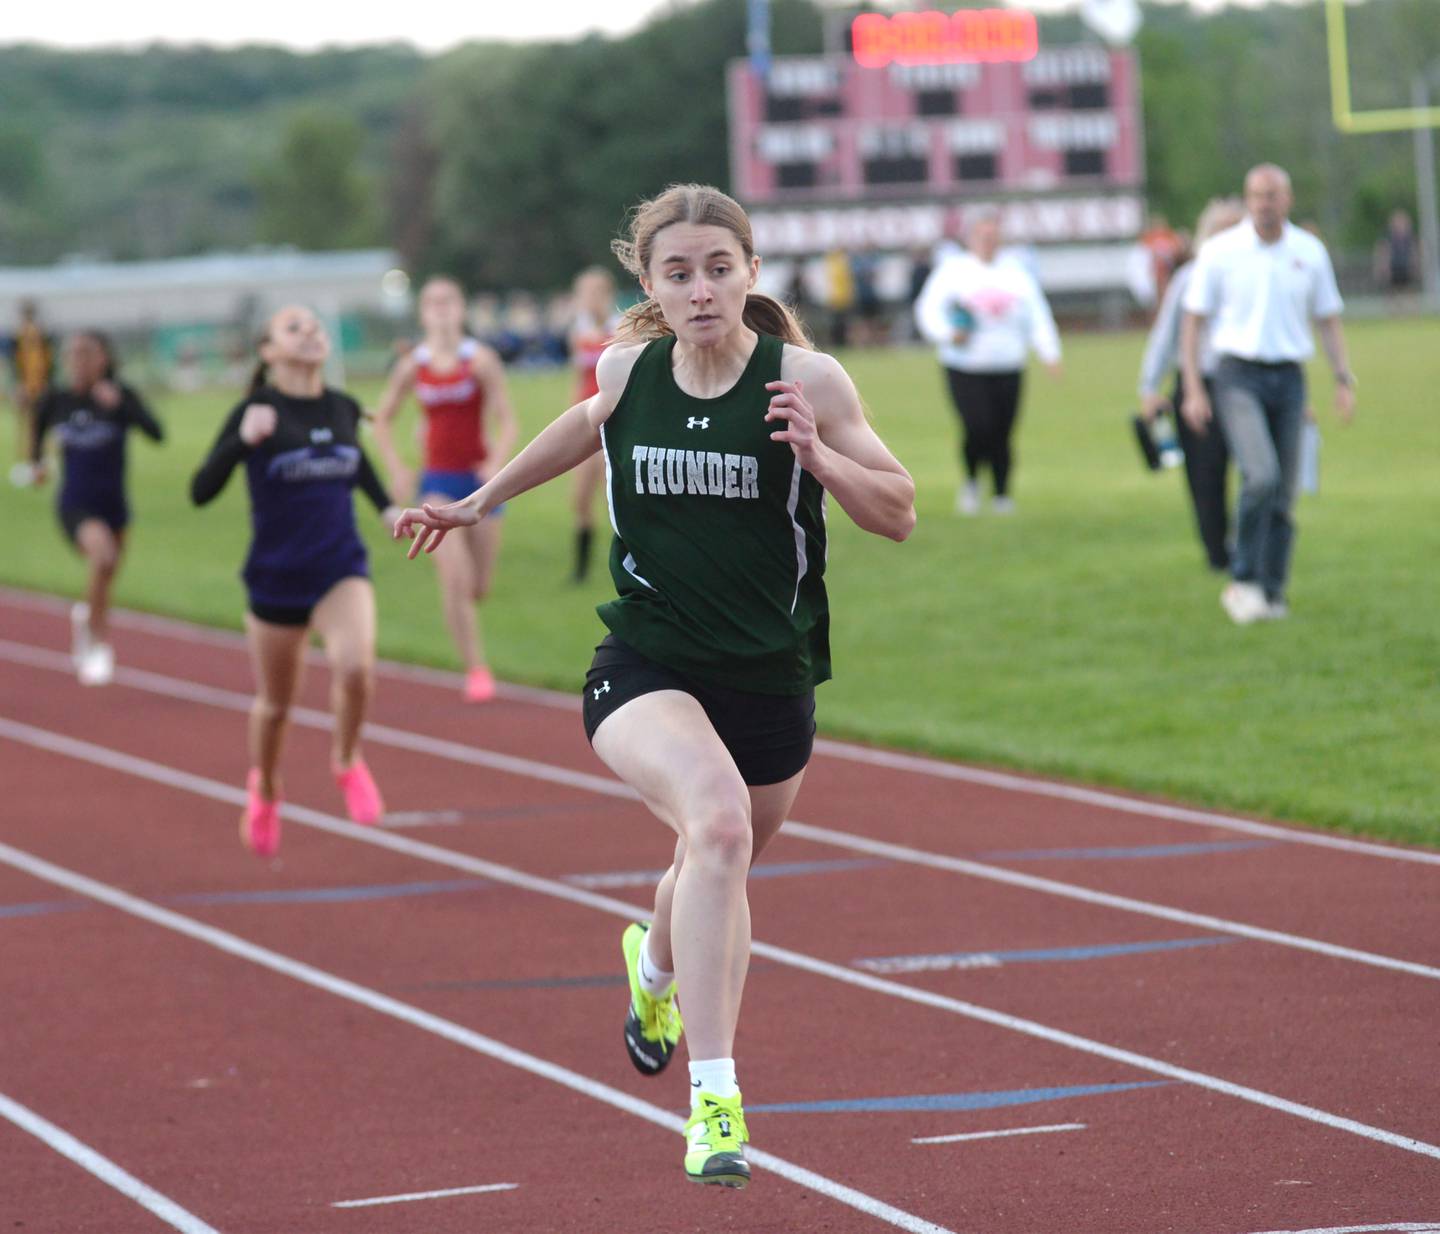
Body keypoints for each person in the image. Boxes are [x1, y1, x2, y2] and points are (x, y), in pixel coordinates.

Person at [394, 183, 915, 1188]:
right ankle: (715, 1100)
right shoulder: (629, 370)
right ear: (650, 284)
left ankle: (655, 972)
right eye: (678, 272)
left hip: (770, 677)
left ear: (751, 273)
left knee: (714, 860)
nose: (702, 288)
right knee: (715, 829)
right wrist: (477, 502)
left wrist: (818, 457)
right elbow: (585, 423)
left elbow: (896, 512)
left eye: (720, 268)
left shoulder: (807, 380)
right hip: (647, 664)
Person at [190, 306, 399, 856]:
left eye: (314, 327)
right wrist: (242, 441)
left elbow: (356, 466)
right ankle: (266, 786)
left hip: (339, 567)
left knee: (355, 668)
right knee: (277, 706)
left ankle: (347, 760)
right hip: (276, 578)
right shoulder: (254, 410)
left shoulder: (342, 406)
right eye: (293, 328)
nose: (310, 333)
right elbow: (200, 490)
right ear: (267, 350)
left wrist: (387, 510)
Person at [1181, 164, 1356, 625]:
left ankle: (1272, 589)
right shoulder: (1221, 252)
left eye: (1273, 194)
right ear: (1247, 200)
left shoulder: (1308, 252)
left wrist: (1342, 377)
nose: (1265, 203)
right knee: (1259, 475)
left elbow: (1328, 319)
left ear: (1288, 199)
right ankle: (1242, 579)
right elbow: (1192, 320)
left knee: (1284, 492)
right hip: (1237, 376)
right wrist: (1194, 389)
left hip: (1289, 377)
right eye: (1257, 195)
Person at [372, 277, 518, 701]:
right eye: (432, 302)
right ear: (422, 313)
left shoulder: (481, 360)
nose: (440, 308)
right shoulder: (411, 366)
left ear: (461, 308)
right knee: (455, 576)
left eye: (448, 300)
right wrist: (397, 467)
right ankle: (476, 668)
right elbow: (382, 419)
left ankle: (472, 628)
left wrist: (496, 459)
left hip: (480, 482)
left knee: (478, 586)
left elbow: (507, 418)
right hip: (435, 483)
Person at [30, 331, 164, 685]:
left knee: (105, 576)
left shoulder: (119, 396)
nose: (78, 359)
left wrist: (120, 405)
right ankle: (96, 644)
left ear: (104, 358)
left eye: (87, 352)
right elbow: (36, 438)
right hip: (75, 503)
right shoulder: (56, 399)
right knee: (102, 558)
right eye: (72, 353)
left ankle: (87, 616)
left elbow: (156, 433)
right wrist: (38, 465)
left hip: (114, 505)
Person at [913, 206, 1062, 515]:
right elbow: (928, 308)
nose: (988, 241)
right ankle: (971, 480)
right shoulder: (953, 272)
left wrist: (1049, 352)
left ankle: (1002, 493)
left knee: (1003, 431)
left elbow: (1037, 314)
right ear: (970, 237)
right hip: (965, 366)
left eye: (993, 235)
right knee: (977, 426)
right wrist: (946, 333)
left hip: (1008, 364)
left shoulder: (1016, 273)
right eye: (982, 235)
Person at [1137, 197, 1245, 572]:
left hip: (1246, 382)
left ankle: (1249, 544)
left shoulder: (1254, 275)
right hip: (1198, 383)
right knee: (1205, 473)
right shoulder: (1189, 278)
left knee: (1256, 470)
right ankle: (1217, 552)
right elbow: (1165, 337)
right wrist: (1150, 387)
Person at [566, 266, 621, 583]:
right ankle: (581, 572)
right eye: (583, 293)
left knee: (615, 497)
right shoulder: (579, 331)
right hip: (587, 423)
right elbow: (579, 379)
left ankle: (633, 562)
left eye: (594, 292)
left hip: (613, 420)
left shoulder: (622, 329)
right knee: (581, 498)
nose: (588, 299)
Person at [9, 301, 54, 482]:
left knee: (35, 425)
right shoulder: (23, 334)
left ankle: (37, 463)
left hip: (35, 387)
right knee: (31, 426)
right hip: (30, 386)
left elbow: (45, 363)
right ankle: (34, 463)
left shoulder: (34, 334)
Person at [1373, 208, 1418, 293]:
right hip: (1393, 268)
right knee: (1392, 293)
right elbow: (1382, 253)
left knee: (1409, 292)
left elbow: (1414, 253)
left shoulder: (1410, 238)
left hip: (1406, 268)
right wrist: (1382, 268)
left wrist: (1415, 266)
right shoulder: (1388, 238)